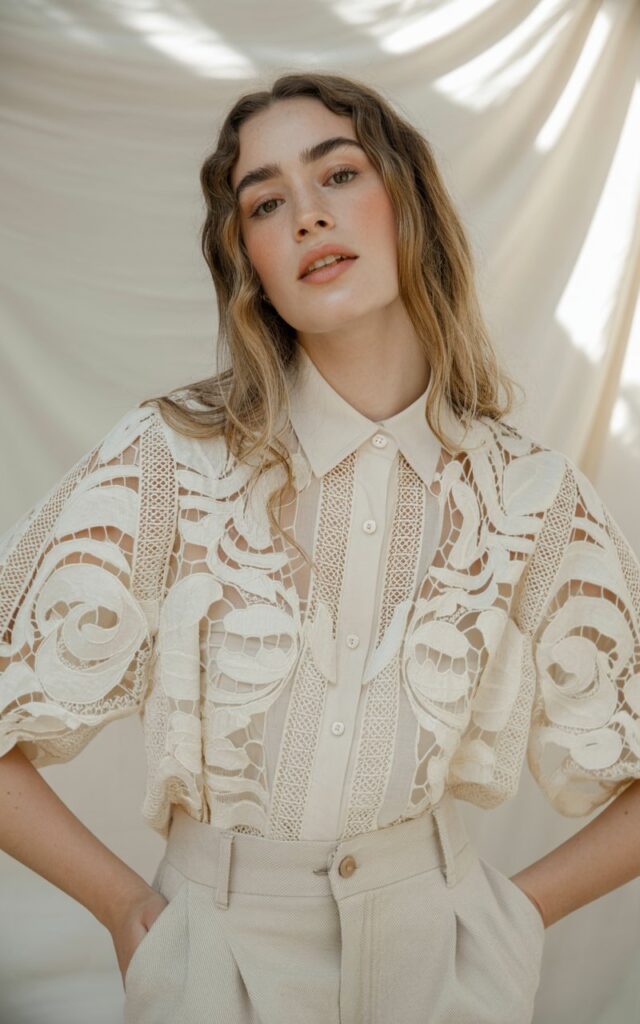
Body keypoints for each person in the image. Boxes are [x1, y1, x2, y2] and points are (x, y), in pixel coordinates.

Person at [1, 70, 639, 1024]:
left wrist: (514, 917)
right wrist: (128, 912)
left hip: (441, 970)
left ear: (407, 201)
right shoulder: (171, 463)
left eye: (339, 174)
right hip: (213, 961)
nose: (307, 215)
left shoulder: (530, 499)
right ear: (248, 259)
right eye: (266, 202)